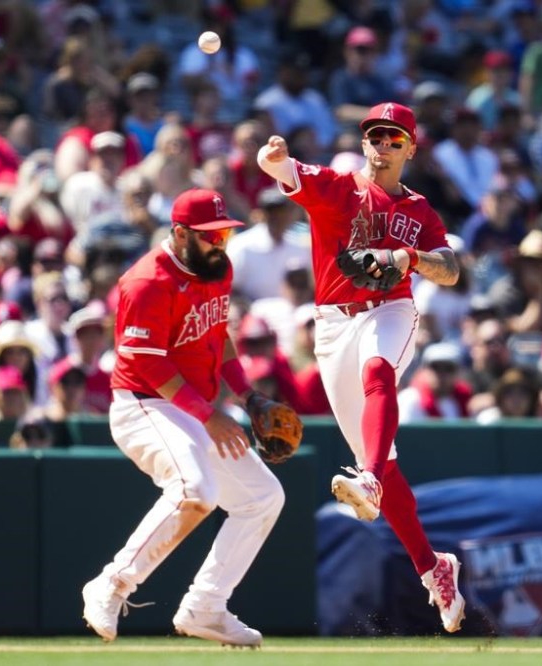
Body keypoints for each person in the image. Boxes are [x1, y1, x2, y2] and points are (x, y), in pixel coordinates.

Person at [257, 102, 466, 633]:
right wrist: (274, 158)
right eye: (376, 135)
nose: (384, 144)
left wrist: (409, 258)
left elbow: (451, 271)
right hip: (331, 325)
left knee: (379, 374)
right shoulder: (338, 186)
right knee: (387, 462)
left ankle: (367, 480)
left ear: (411, 148)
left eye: (396, 138)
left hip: (391, 310)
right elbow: (281, 169)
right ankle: (433, 567)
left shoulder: (419, 210)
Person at [80, 188, 284, 647]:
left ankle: (206, 607)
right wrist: (210, 416)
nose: (220, 242)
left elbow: (219, 337)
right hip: (144, 404)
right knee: (196, 490)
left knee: (263, 497)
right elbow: (149, 364)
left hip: (194, 408)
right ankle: (110, 585)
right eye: (210, 235)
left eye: (225, 232)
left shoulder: (218, 267)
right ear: (180, 233)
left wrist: (249, 397)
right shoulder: (146, 281)